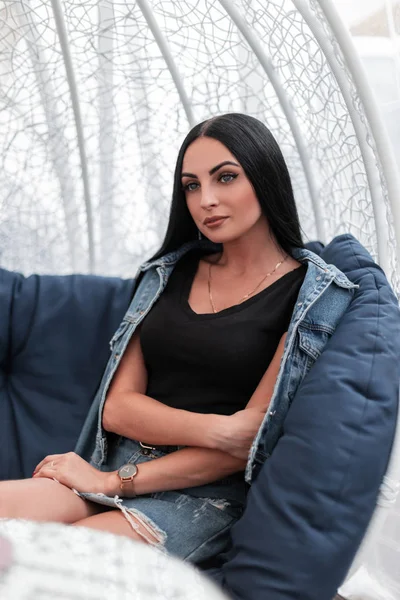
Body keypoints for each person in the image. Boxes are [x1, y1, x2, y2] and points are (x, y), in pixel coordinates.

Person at [0, 113, 356, 565]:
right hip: (111, 462)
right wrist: (219, 428)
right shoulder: (168, 274)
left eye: (226, 177)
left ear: (264, 177)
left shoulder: (311, 296)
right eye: (191, 185)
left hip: (201, 496)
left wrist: (115, 482)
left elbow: (245, 449)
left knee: (41, 563)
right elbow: (118, 408)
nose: (206, 200)